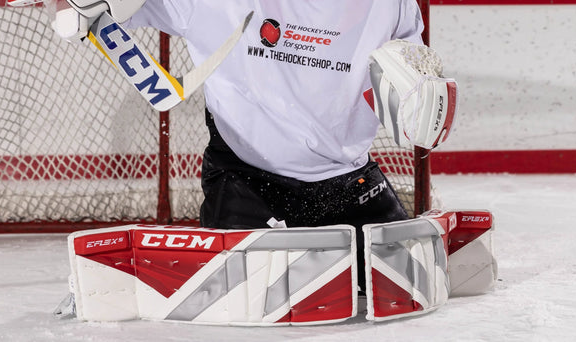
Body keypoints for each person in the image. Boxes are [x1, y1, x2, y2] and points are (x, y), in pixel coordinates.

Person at [52, 0, 426, 290]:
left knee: (410, 286)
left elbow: (412, 78)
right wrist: (80, 8)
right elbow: (97, 10)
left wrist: (423, 101)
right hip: (247, 182)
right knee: (243, 304)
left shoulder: (391, 4)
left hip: (349, 183)